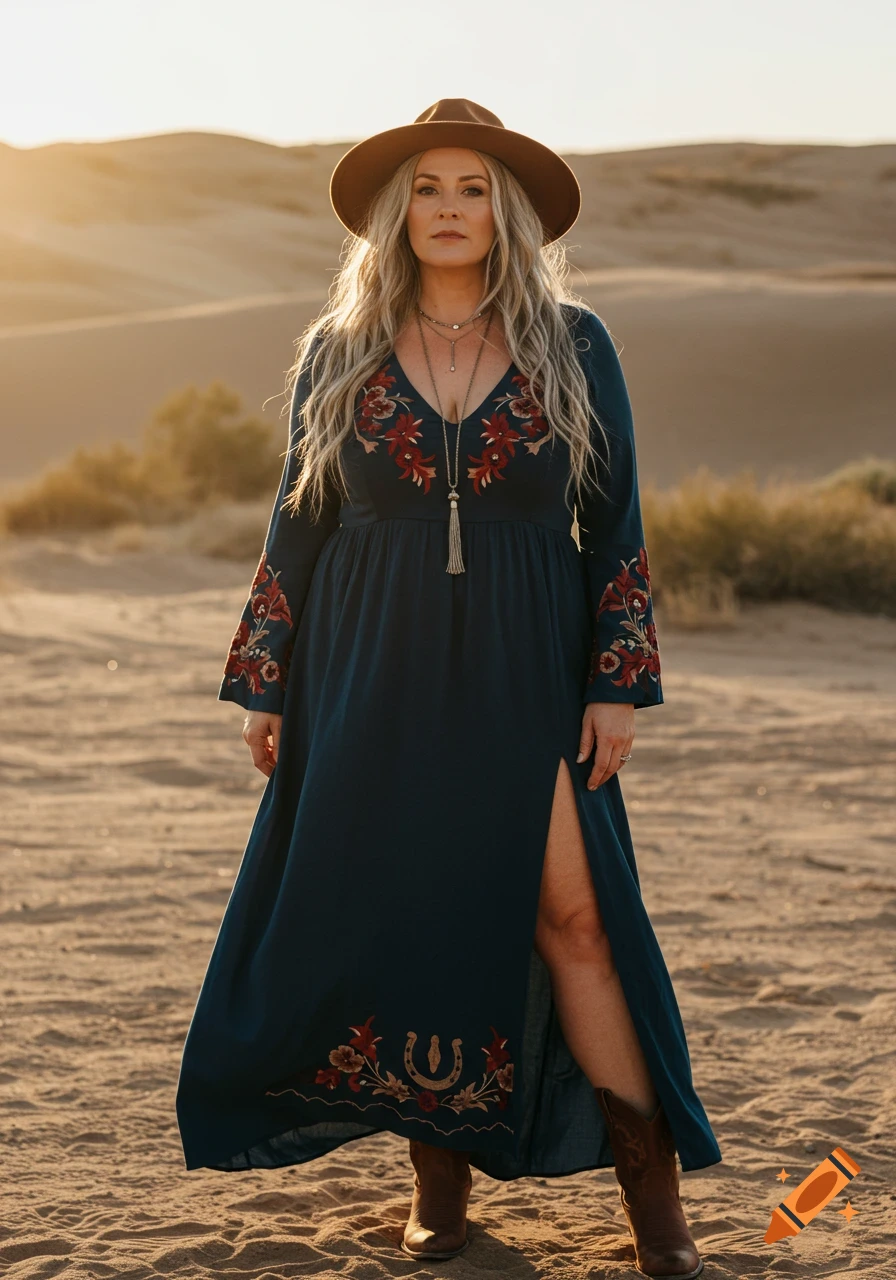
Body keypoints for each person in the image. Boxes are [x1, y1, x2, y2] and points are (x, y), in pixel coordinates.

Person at [175, 99, 721, 1278]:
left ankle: (654, 1205)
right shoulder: (341, 347)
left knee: (574, 920)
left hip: (529, 658)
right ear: (397, 210)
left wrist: (614, 679)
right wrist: (267, 679)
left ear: (505, 210)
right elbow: (299, 517)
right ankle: (438, 1181)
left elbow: (611, 519)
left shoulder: (575, 342)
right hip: (369, 660)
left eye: (472, 188)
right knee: (415, 913)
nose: (448, 210)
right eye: (427, 188)